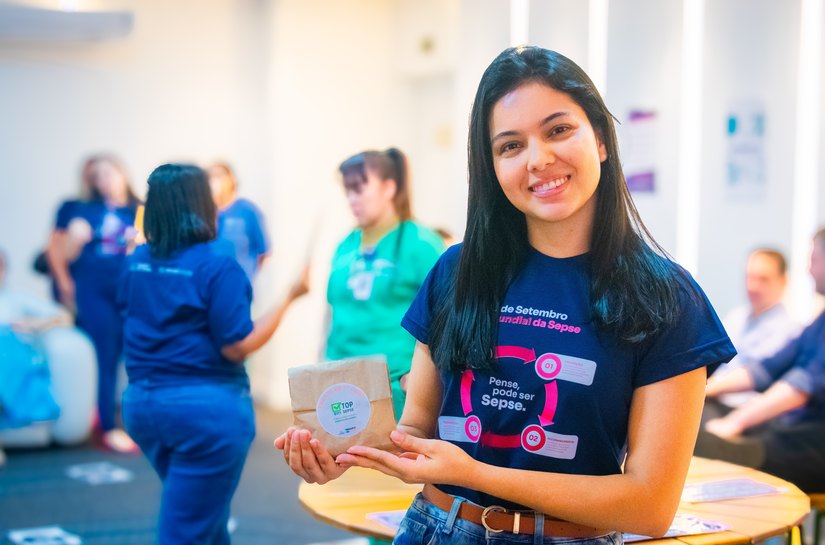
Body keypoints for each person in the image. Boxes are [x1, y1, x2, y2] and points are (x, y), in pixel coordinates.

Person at [276, 46, 736, 544]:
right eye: (511, 146)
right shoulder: (457, 272)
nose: (538, 160)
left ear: (601, 139)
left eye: (558, 130)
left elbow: (649, 506)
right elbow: (418, 428)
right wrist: (345, 449)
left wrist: (476, 474)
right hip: (437, 529)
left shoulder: (666, 298)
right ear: (492, 166)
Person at [118, 164, 307, 544]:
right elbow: (237, 345)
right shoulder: (217, 266)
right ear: (202, 204)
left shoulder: (136, 262)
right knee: (189, 527)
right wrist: (289, 298)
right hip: (204, 414)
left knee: (204, 515)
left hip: (143, 407)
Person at [696, 229, 825, 493]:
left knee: (708, 444)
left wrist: (735, 422)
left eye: (814, 260)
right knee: (697, 418)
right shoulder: (818, 323)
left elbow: (801, 386)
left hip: (810, 440)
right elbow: (766, 370)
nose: (809, 270)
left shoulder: (788, 325)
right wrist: (699, 391)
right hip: (787, 429)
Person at [324, 148, 445, 421]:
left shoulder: (421, 243)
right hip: (340, 383)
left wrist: (422, 380)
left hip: (394, 387)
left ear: (389, 188)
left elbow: (447, 317)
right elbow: (331, 312)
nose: (352, 199)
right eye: (347, 191)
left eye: (359, 189)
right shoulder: (345, 245)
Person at [45, 154, 141, 453]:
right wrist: (66, 283)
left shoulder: (139, 209)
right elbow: (58, 252)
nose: (104, 180)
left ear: (122, 173)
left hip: (130, 289)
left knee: (135, 354)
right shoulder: (80, 210)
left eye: (109, 172)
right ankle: (108, 426)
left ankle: (134, 422)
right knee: (105, 354)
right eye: (97, 176)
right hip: (93, 289)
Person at [704, 249, 800, 417]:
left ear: (783, 281)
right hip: (711, 399)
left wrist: (703, 390)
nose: (752, 286)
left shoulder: (790, 332)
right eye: (749, 277)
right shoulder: (736, 317)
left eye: (763, 279)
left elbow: (757, 375)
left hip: (745, 412)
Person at [207, 162, 271, 283]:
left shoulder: (247, 211)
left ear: (231, 179)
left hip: (239, 282)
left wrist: (248, 277)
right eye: (210, 176)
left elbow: (263, 251)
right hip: (211, 284)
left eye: (219, 175)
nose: (214, 180)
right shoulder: (203, 213)